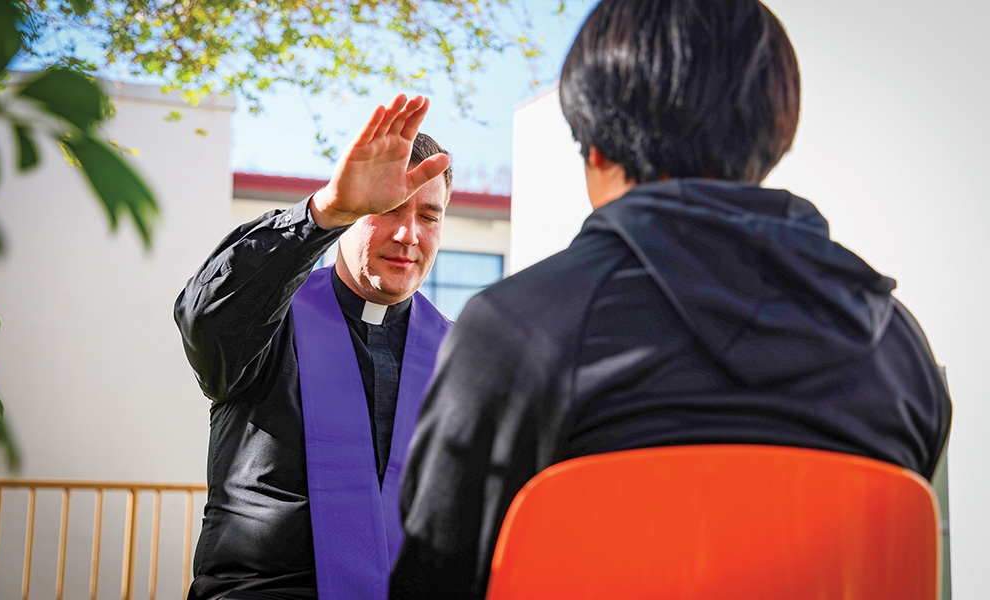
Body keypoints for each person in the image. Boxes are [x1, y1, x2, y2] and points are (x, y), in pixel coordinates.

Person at [389, 1, 952, 598]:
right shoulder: (898, 348)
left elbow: (436, 578)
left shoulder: (517, 330)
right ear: (772, 137)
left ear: (597, 150)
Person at [174, 94, 453, 600]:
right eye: (388, 208)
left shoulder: (457, 353)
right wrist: (323, 213)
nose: (409, 233)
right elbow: (205, 317)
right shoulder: (269, 320)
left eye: (429, 216)